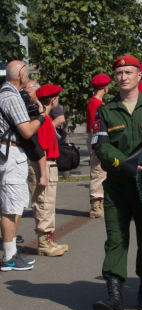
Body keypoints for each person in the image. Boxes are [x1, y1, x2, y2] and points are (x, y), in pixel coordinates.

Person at [92, 55, 142, 310]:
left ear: (138, 75)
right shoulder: (106, 110)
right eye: (119, 72)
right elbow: (100, 144)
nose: (123, 76)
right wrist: (125, 164)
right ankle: (115, 298)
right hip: (117, 188)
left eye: (128, 72)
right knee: (116, 240)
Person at [0, 60, 47, 271]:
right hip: (10, 154)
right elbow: (27, 131)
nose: (28, 75)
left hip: (8, 152)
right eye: (26, 72)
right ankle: (10, 257)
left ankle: (11, 254)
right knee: (11, 207)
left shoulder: (6, 93)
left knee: (12, 205)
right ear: (20, 74)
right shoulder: (11, 96)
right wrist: (43, 116)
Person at [28, 84, 69, 257]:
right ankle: (45, 243)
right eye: (57, 98)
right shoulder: (43, 121)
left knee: (47, 204)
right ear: (52, 100)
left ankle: (49, 240)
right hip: (45, 166)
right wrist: (43, 174)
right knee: (44, 204)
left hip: (48, 165)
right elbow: (41, 150)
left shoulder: (43, 119)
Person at [86, 73, 110, 219]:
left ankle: (100, 201)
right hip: (97, 138)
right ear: (104, 87)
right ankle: (96, 204)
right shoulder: (96, 104)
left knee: (101, 171)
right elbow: (96, 126)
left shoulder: (96, 102)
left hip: (97, 137)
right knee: (97, 170)